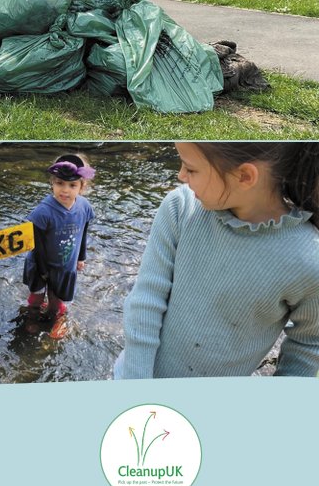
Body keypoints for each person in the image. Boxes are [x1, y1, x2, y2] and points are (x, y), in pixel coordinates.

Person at [115, 142, 319, 379]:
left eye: (191, 169)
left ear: (244, 176)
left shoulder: (309, 261)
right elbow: (146, 301)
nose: (180, 175)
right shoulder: (180, 207)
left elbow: (308, 343)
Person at [21, 153, 95, 340]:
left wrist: (81, 257)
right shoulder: (42, 212)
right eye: (60, 183)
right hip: (41, 264)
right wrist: (44, 271)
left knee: (57, 299)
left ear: (81, 187)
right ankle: (33, 316)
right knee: (37, 296)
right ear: (52, 182)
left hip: (65, 266)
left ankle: (55, 319)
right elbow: (35, 245)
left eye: (72, 185)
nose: (65, 190)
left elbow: (83, 232)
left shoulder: (84, 207)